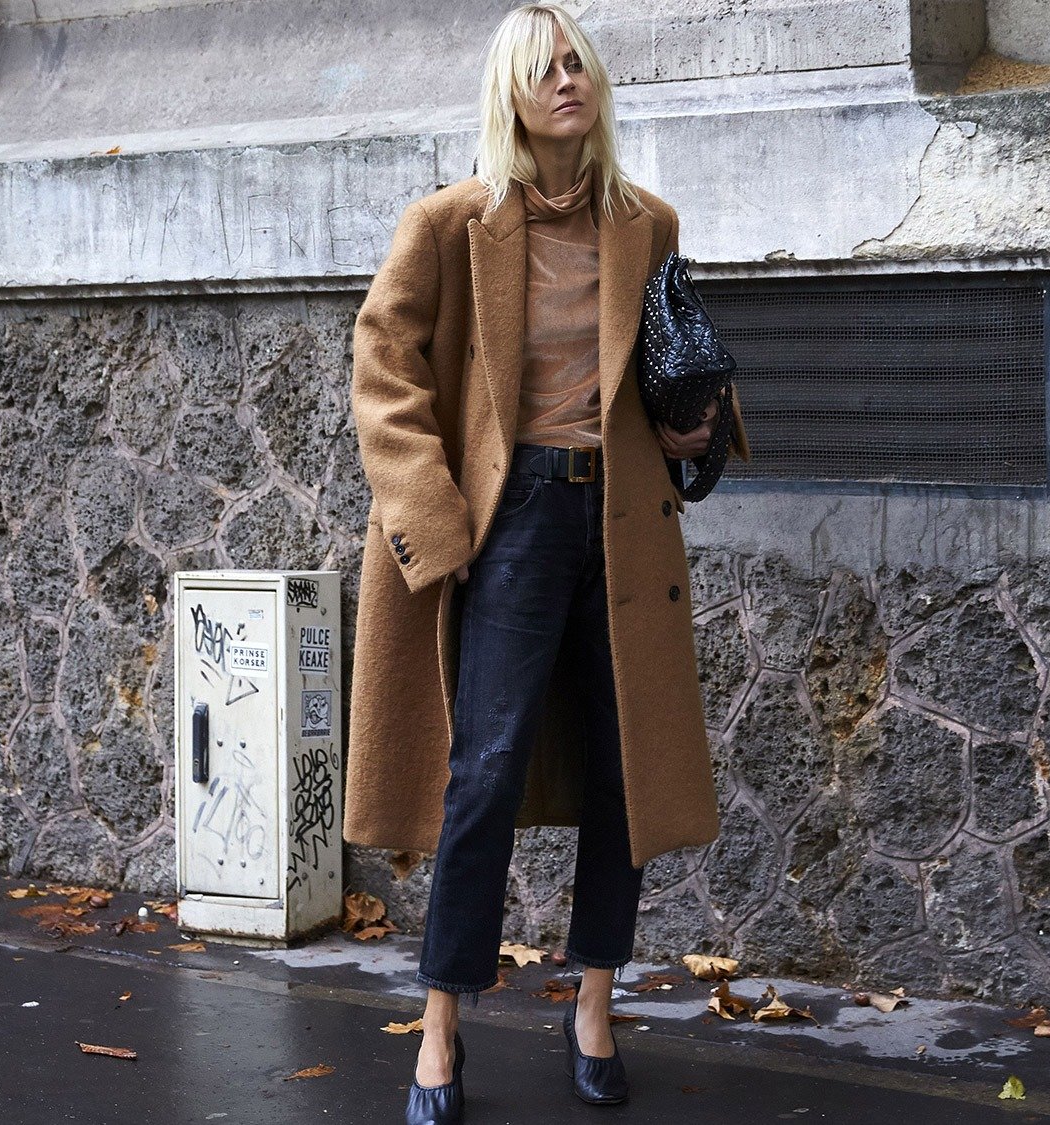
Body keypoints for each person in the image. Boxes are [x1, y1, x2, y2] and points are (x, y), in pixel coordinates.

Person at [342, 5, 746, 1120]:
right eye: (543, 70)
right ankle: (439, 1027)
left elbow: (672, 358)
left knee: (624, 770)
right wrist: (437, 519)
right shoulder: (450, 224)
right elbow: (382, 365)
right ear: (510, 98)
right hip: (510, 516)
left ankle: (594, 1005)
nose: (567, 80)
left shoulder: (646, 224)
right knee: (483, 767)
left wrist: (696, 426)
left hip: (617, 519)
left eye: (577, 63)